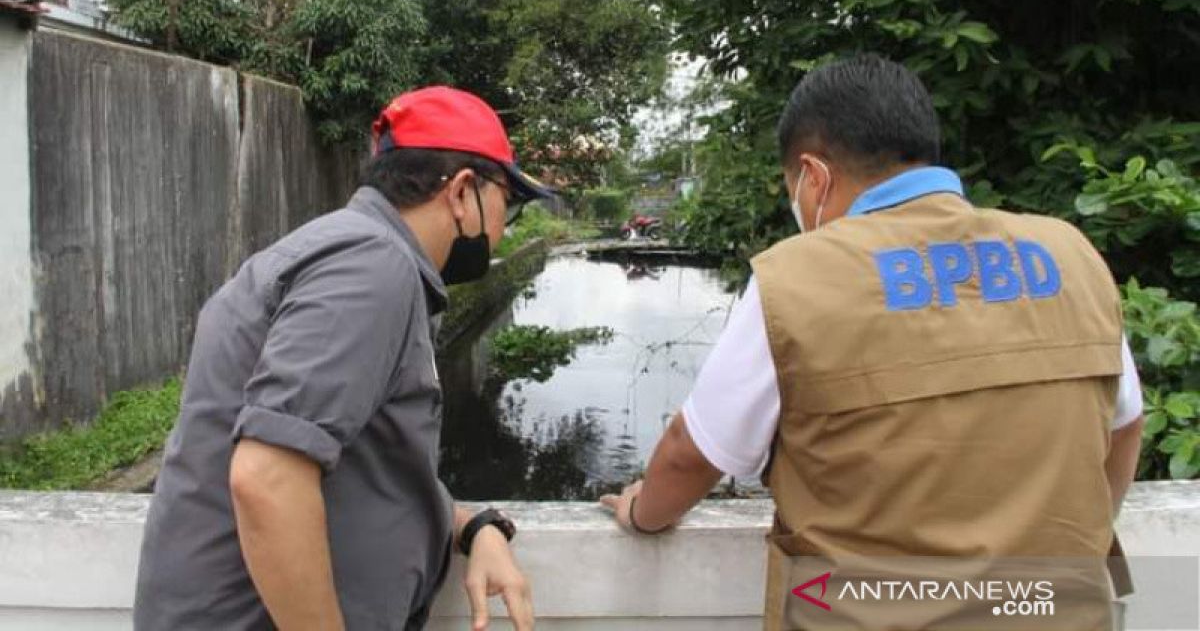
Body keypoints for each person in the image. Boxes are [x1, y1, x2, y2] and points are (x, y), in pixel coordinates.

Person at [600, 54, 1144, 629]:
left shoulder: (797, 277)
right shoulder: (1070, 253)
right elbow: (1124, 425)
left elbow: (692, 452)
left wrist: (642, 514)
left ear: (814, 177)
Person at [135, 86, 550, 631]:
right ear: (462, 191)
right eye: (507, 203)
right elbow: (268, 476)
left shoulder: (352, 252)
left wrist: (473, 526)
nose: (502, 230)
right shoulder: (372, 268)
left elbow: (362, 469)